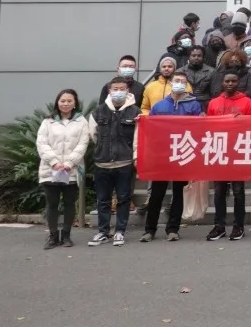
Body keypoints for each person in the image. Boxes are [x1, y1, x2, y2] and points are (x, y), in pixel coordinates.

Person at [142, 72, 201, 243]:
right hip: (162, 156)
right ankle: (150, 230)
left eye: (183, 81)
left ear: (187, 85)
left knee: (179, 194)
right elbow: (150, 130)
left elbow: (199, 129)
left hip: (183, 154)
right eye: (177, 81)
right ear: (171, 83)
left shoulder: (194, 105)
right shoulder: (159, 106)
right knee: (156, 194)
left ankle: (173, 229)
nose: (179, 83)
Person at [87, 78, 139, 247]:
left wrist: (135, 157)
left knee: (124, 199)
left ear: (127, 91)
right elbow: (93, 135)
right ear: (109, 91)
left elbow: (138, 138)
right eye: (115, 89)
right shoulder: (98, 112)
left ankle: (120, 231)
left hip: (124, 163)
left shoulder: (135, 112)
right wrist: (103, 148)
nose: (118, 92)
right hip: (102, 163)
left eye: (121, 89)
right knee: (103, 200)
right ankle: (103, 231)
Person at [36, 88, 90, 249]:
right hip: (50, 169)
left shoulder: (82, 122)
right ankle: (53, 236)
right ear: (57, 103)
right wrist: (54, 162)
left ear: (75, 104)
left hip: (71, 170)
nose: (66, 104)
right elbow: (41, 143)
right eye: (62, 101)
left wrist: (69, 163)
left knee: (69, 203)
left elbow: (83, 144)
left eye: (69, 101)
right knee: (52, 204)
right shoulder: (48, 122)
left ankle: (66, 235)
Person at [206, 73, 251, 241]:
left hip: (238, 151)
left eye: (234, 81)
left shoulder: (247, 102)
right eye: (227, 81)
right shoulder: (214, 103)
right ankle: (219, 226)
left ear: (238, 82)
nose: (230, 83)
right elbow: (208, 127)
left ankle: (238, 226)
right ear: (222, 83)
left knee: (238, 191)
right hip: (219, 151)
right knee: (219, 191)